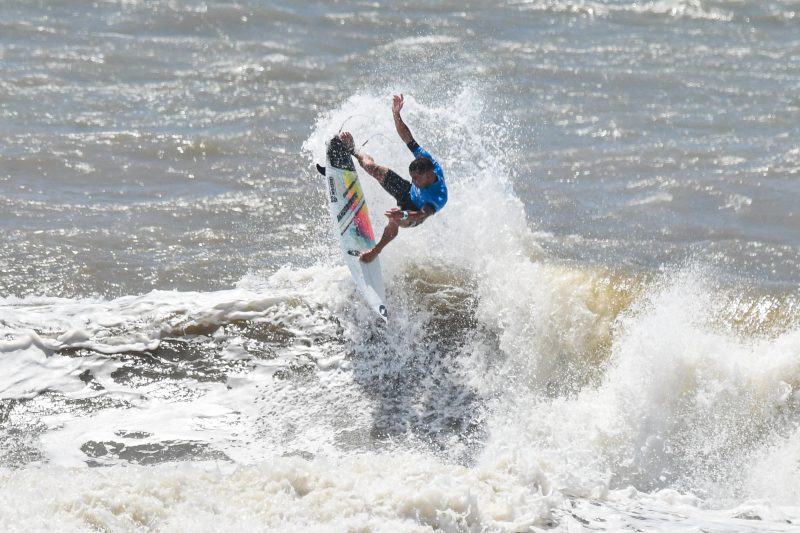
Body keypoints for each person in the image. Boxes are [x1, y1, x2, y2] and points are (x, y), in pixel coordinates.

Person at [338, 94, 447, 263]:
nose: (414, 182)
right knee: (373, 169)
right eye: (412, 178)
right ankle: (354, 150)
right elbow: (407, 138)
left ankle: (375, 251)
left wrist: (402, 214)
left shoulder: (438, 196)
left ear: (429, 176)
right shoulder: (426, 161)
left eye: (417, 180)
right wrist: (396, 113)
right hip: (406, 193)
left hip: (413, 213)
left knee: (394, 219)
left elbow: (420, 215)